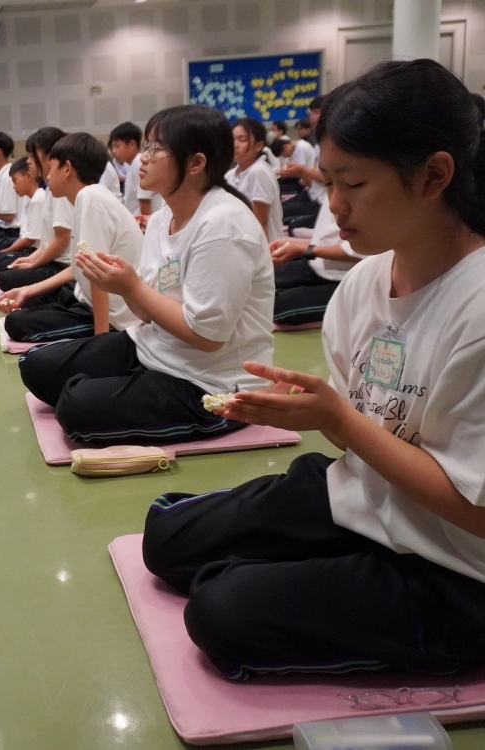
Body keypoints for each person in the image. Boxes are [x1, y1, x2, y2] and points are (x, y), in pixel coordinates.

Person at [143, 60, 485, 682]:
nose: (334, 204)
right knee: (167, 541)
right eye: (328, 181)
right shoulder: (363, 284)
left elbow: (476, 511)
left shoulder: (477, 306)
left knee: (222, 612)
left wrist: (342, 422)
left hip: (457, 567)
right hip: (368, 496)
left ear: (434, 176)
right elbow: (362, 433)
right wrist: (321, 416)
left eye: (353, 183)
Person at [18, 105, 274, 444]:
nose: (143, 158)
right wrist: (124, 287)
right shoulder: (161, 218)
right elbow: (146, 313)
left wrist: (132, 286)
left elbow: (207, 337)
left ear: (196, 163)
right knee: (36, 366)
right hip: (153, 347)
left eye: (155, 148)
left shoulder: (223, 224)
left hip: (210, 382)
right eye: (146, 146)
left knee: (76, 407)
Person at [0, 132, 143, 343]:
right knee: (23, 306)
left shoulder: (91, 198)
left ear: (67, 168)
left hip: (110, 316)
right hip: (82, 297)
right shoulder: (85, 199)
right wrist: (27, 290)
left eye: (52, 166)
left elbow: (97, 275)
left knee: (17, 325)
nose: (47, 175)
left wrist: (101, 342)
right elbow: (77, 268)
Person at [0, 127, 74, 290]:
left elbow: (62, 239)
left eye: (33, 156)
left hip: (61, 265)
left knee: (5, 276)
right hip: (53, 260)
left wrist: (34, 264)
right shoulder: (50, 189)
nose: (29, 161)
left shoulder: (60, 190)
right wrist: (31, 259)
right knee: (4, 269)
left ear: (49, 157)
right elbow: (48, 243)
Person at [270, 196, 362, 326]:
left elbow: (362, 251)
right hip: (317, 265)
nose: (333, 205)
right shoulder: (335, 198)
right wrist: (295, 245)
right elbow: (329, 239)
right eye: (329, 185)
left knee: (274, 306)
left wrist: (305, 250)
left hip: (349, 278)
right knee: (262, 281)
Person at [0, 156, 45, 270]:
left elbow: (30, 240)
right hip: (29, 248)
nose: (14, 186)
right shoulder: (30, 200)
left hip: (34, 251)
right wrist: (3, 253)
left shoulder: (38, 199)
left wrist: (4, 252)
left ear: (28, 176)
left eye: (15, 181)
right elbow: (24, 236)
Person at [226, 117, 283, 241]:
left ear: (259, 145)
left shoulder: (259, 171)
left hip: (262, 244)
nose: (235, 145)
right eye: (232, 139)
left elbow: (260, 223)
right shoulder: (230, 175)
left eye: (242, 140)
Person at [109, 121, 147, 218]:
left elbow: (144, 200)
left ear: (132, 145)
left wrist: (145, 224)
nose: (113, 151)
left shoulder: (139, 162)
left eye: (117, 146)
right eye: (112, 147)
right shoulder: (133, 165)